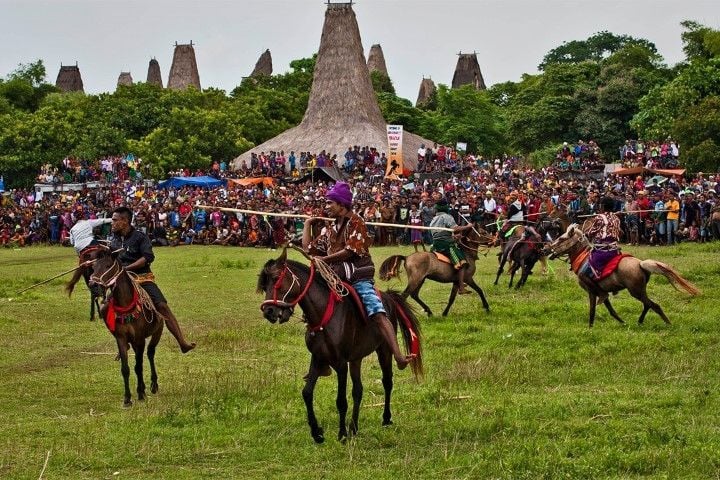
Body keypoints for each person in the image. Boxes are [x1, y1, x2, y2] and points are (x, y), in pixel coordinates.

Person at [302, 182, 413, 372]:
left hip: (358, 278)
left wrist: (325, 259)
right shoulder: (330, 228)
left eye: (330, 203)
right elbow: (309, 250)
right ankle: (322, 361)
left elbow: (349, 251)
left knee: (377, 312)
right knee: (313, 312)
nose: (326, 207)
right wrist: (307, 225)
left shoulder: (357, 221)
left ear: (342, 205)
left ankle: (398, 356)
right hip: (335, 279)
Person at [109, 206, 196, 353]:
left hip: (142, 278)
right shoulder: (114, 240)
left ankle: (182, 342)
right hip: (122, 282)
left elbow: (148, 257)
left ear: (125, 221)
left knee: (162, 306)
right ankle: (122, 341)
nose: (112, 223)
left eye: (115, 220)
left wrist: (127, 268)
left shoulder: (140, 237)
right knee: (107, 308)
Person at [429, 198, 473, 295]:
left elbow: (439, 233)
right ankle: (461, 287)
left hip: (435, 244)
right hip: (446, 244)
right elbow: (455, 228)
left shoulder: (433, 219)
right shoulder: (447, 217)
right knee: (462, 262)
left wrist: (454, 236)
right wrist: (468, 226)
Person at [582, 196, 622, 281]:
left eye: (600, 205)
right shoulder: (617, 218)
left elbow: (590, 232)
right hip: (615, 251)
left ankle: (599, 289)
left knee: (584, 272)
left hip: (601, 253)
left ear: (602, 206)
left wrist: (585, 233)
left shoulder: (600, 217)